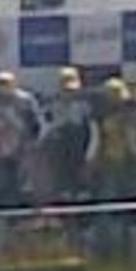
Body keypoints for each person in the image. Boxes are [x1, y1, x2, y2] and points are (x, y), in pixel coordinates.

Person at [0, 71, 45, 208]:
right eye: (1, 85)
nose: (4, 88)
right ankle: (2, 219)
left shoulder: (26, 101)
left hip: (23, 152)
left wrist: (33, 145)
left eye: (7, 85)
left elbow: (39, 125)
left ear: (14, 85)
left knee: (24, 187)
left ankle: (23, 220)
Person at [42, 67, 94, 201]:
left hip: (80, 151)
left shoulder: (85, 105)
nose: (69, 94)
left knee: (83, 191)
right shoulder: (50, 104)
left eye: (72, 90)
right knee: (62, 191)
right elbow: (44, 129)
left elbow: (93, 131)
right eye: (66, 90)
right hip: (59, 153)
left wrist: (90, 155)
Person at [87, 77, 136, 200]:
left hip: (127, 160)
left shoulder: (130, 113)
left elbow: (133, 141)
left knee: (127, 191)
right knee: (110, 192)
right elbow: (96, 141)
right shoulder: (99, 116)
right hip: (108, 160)